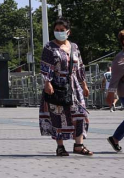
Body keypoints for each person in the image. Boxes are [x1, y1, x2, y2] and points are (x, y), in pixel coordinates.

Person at [38, 19, 89, 156]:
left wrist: (84, 84)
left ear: (68, 32)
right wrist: (47, 82)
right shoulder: (49, 47)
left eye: (62, 30)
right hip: (56, 84)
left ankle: (79, 144)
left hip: (74, 85)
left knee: (80, 113)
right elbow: (45, 66)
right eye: (57, 30)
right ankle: (60, 146)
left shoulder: (74, 47)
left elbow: (80, 67)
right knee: (58, 114)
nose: (59, 32)